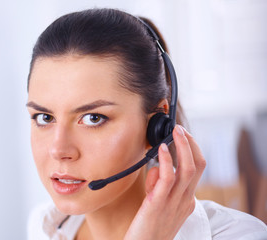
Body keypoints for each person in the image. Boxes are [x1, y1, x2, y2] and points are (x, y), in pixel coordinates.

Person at [26, 8, 267, 240]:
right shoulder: (45, 226)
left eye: (93, 118)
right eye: (44, 118)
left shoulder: (242, 235)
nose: (58, 150)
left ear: (157, 125)